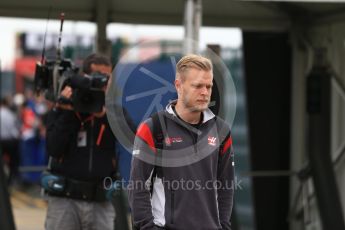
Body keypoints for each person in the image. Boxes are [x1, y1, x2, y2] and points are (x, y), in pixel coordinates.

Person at [128, 54, 235, 229]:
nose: (205, 92)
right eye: (198, 86)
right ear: (178, 85)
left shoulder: (221, 131)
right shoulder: (154, 128)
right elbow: (137, 187)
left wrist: (223, 226)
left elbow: (226, 187)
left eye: (208, 86)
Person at [44, 53, 135, 230]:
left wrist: (105, 115)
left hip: (100, 200)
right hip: (65, 200)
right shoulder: (65, 106)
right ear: (83, 77)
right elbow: (54, 148)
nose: (101, 83)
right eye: (96, 77)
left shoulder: (114, 111)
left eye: (106, 78)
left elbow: (131, 137)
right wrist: (68, 111)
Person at [0, 97, 20, 184]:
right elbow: (15, 131)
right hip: (10, 141)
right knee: (13, 162)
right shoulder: (10, 114)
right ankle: (11, 180)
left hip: (1, 141)